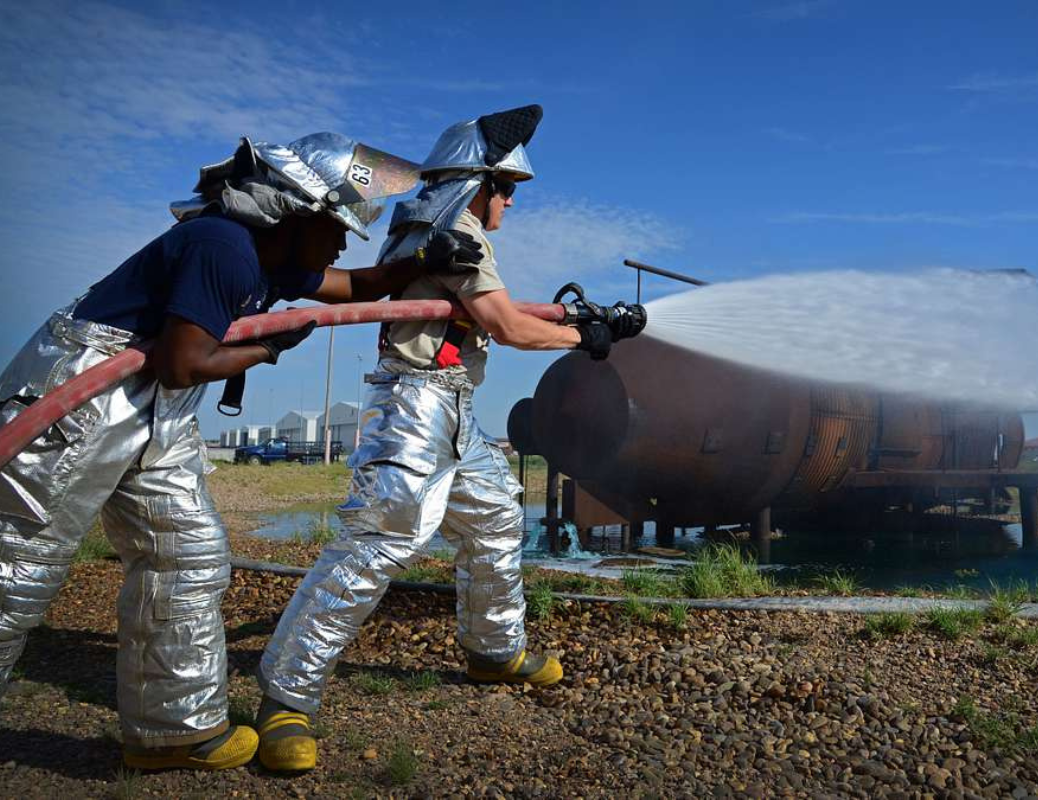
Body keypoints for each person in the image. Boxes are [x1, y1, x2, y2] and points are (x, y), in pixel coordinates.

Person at [0, 132, 478, 770]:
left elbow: (355, 285)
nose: (341, 239)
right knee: (17, 567)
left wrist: (422, 255)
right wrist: (269, 347)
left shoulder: (265, 254)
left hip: (152, 404)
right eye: (334, 224)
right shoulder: (221, 244)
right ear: (295, 211)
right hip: (83, 389)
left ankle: (176, 730)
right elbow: (183, 362)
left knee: (186, 555)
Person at [255, 105, 641, 772]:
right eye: (506, 188)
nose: (511, 202)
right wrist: (589, 337)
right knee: (379, 542)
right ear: (477, 183)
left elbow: (494, 313)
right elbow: (509, 326)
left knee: (494, 516)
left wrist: (585, 320)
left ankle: (494, 651)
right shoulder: (455, 229)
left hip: (453, 405)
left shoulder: (434, 228)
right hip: (413, 404)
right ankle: (285, 697)